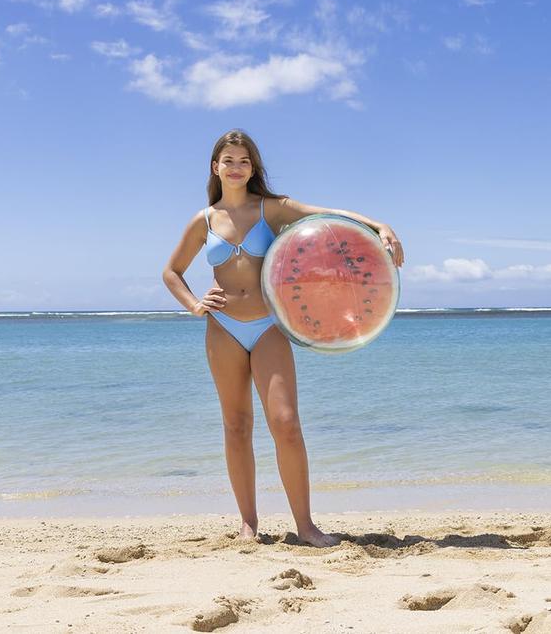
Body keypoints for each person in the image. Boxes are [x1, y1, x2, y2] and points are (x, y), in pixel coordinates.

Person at [162, 129, 404, 548]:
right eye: (229, 161)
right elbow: (171, 272)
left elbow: (329, 218)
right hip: (223, 329)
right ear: (215, 167)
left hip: (269, 325)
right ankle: (248, 524)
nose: (236, 168)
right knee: (236, 426)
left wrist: (380, 226)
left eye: (244, 161)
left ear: (252, 168)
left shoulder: (270, 209)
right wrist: (195, 305)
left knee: (286, 424)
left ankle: (306, 526)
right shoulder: (203, 220)